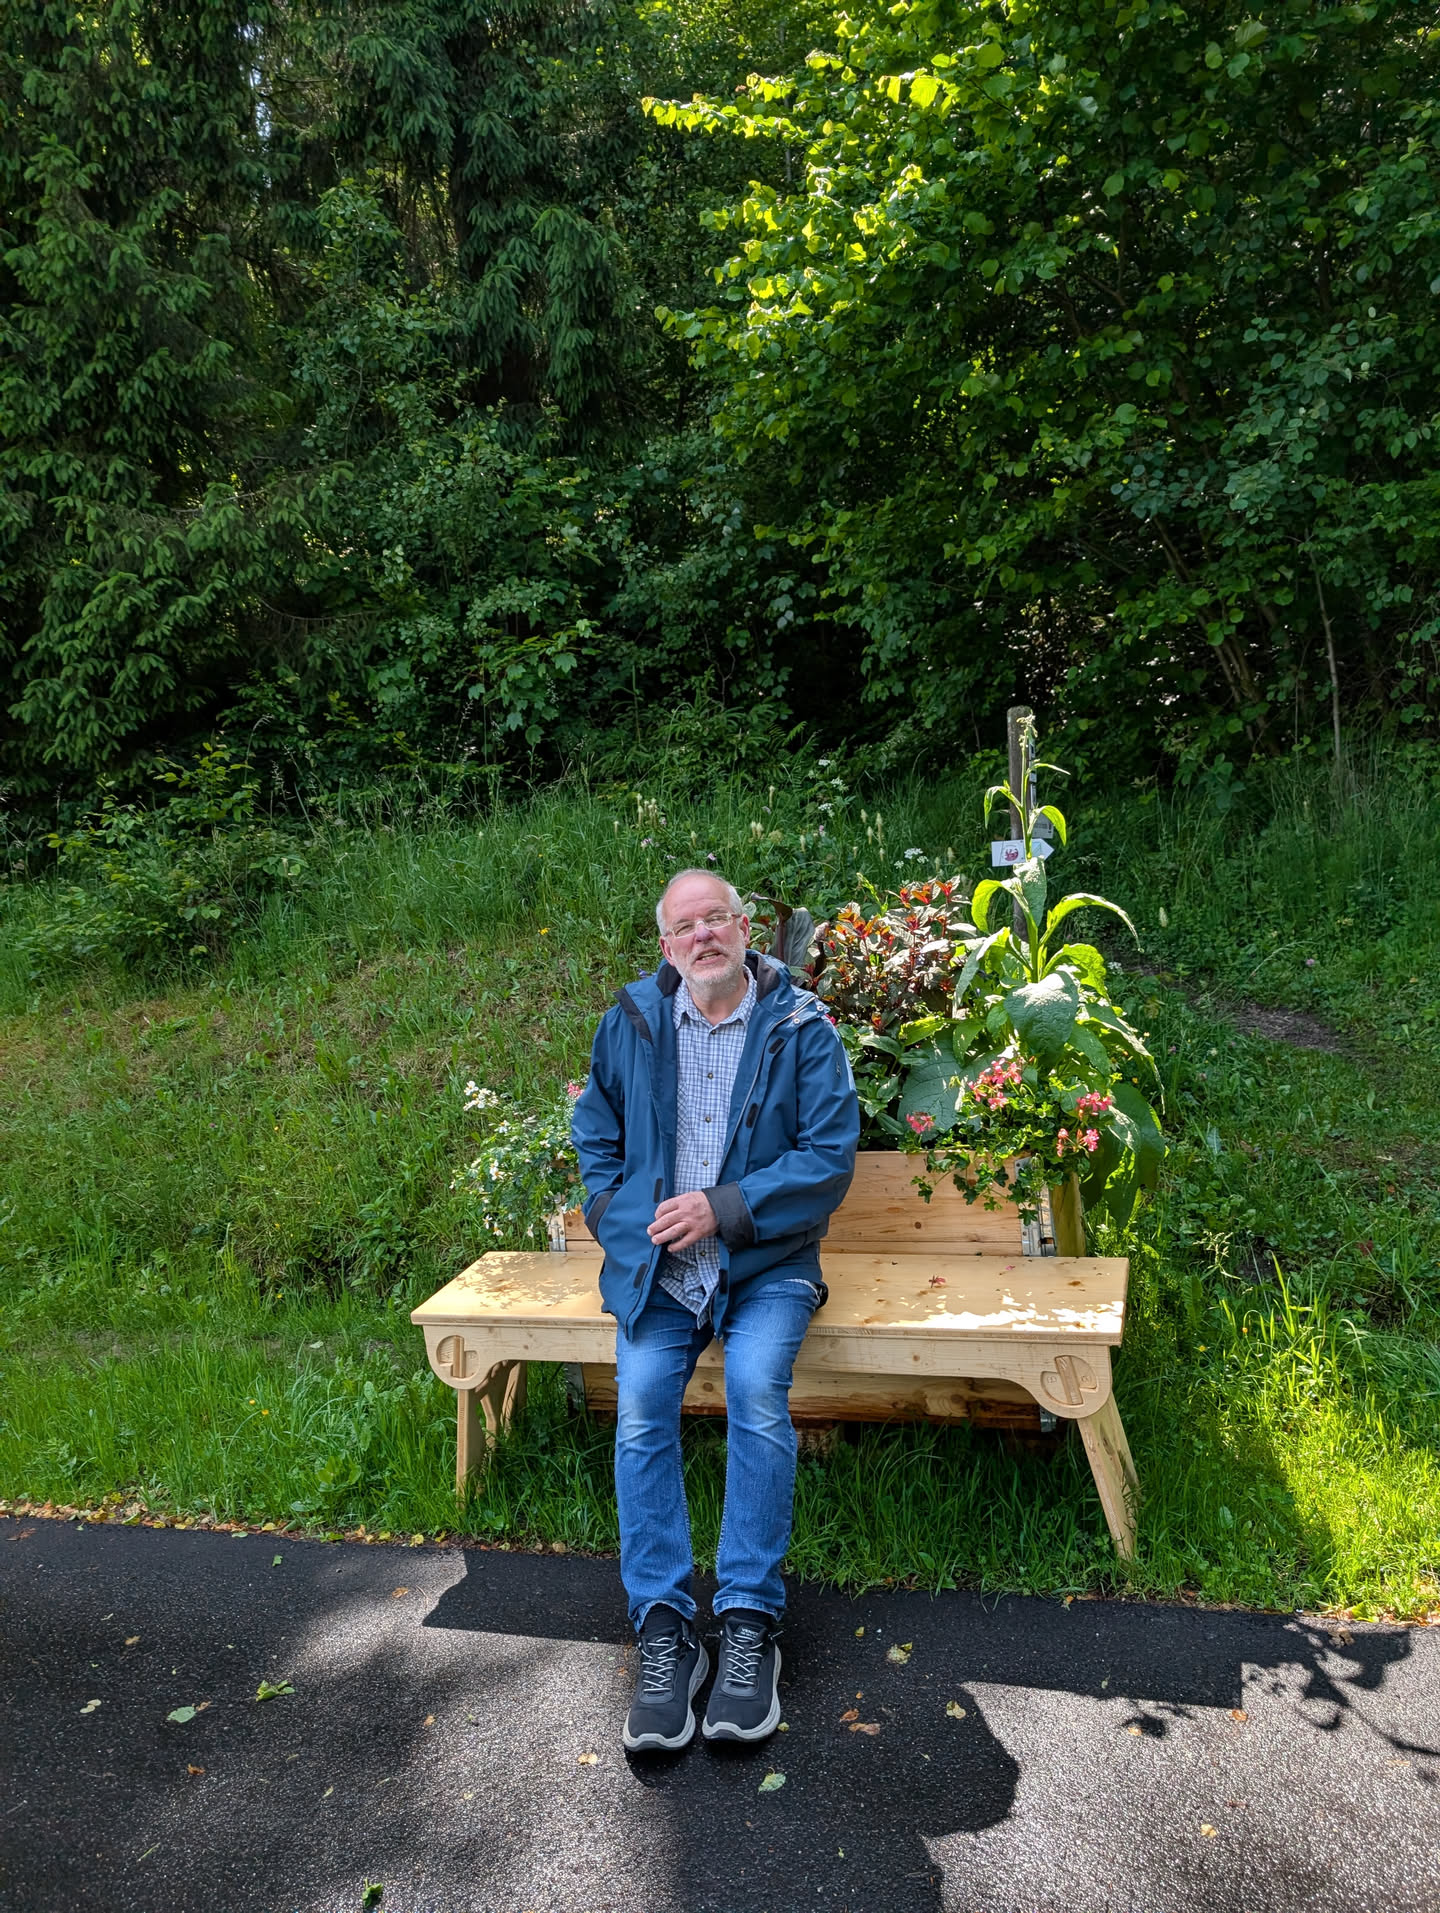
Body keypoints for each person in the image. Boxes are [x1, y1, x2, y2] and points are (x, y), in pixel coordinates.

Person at [571, 868, 859, 1753]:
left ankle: (747, 1624)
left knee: (755, 1392)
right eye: (685, 926)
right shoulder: (630, 1023)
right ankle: (664, 1627)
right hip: (660, 1271)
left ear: (744, 929)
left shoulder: (802, 1027)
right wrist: (625, 1221)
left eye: (716, 920)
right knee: (641, 1406)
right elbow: (596, 1138)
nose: (703, 936)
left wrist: (723, 1208)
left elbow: (829, 1157)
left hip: (765, 1263)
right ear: (667, 945)